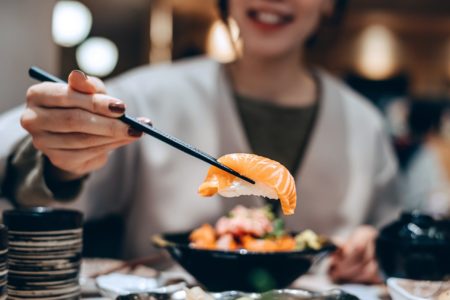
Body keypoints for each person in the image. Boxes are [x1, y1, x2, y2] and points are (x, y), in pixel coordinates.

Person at [0, 0, 398, 284]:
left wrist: (372, 253)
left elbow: (391, 243)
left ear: (331, 5)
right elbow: (24, 170)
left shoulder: (365, 125)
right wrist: (61, 158)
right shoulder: (150, 94)